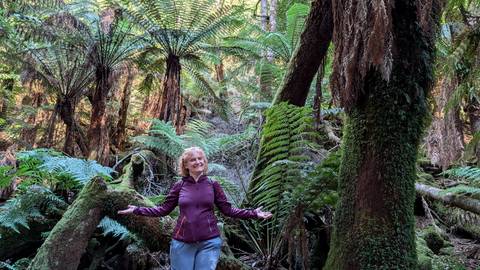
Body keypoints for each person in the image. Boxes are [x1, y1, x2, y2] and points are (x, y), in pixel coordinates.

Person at [118, 146, 272, 270]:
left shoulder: (213, 184)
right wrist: (137, 210)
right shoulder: (180, 186)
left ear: (205, 162)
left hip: (209, 242)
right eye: (193, 160)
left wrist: (254, 214)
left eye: (200, 159)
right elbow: (163, 209)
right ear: (185, 164)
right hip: (182, 243)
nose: (198, 162)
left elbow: (228, 210)